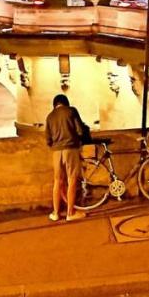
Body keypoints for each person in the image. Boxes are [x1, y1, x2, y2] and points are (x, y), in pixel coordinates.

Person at [45, 94, 89, 222]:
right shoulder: (71, 111)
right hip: (70, 149)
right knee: (72, 180)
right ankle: (70, 212)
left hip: (56, 151)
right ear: (66, 103)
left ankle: (56, 213)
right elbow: (80, 130)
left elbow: (48, 139)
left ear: (55, 104)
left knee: (57, 181)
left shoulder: (50, 116)